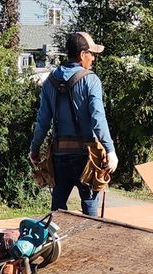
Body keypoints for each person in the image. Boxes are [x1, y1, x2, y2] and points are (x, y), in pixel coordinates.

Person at [30, 32, 118, 217]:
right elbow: (98, 118)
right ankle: (91, 243)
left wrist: (35, 149)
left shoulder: (50, 81)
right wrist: (110, 151)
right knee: (90, 206)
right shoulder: (91, 80)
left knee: (58, 209)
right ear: (81, 55)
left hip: (59, 155)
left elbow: (43, 121)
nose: (93, 58)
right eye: (91, 53)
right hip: (86, 156)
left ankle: (56, 243)